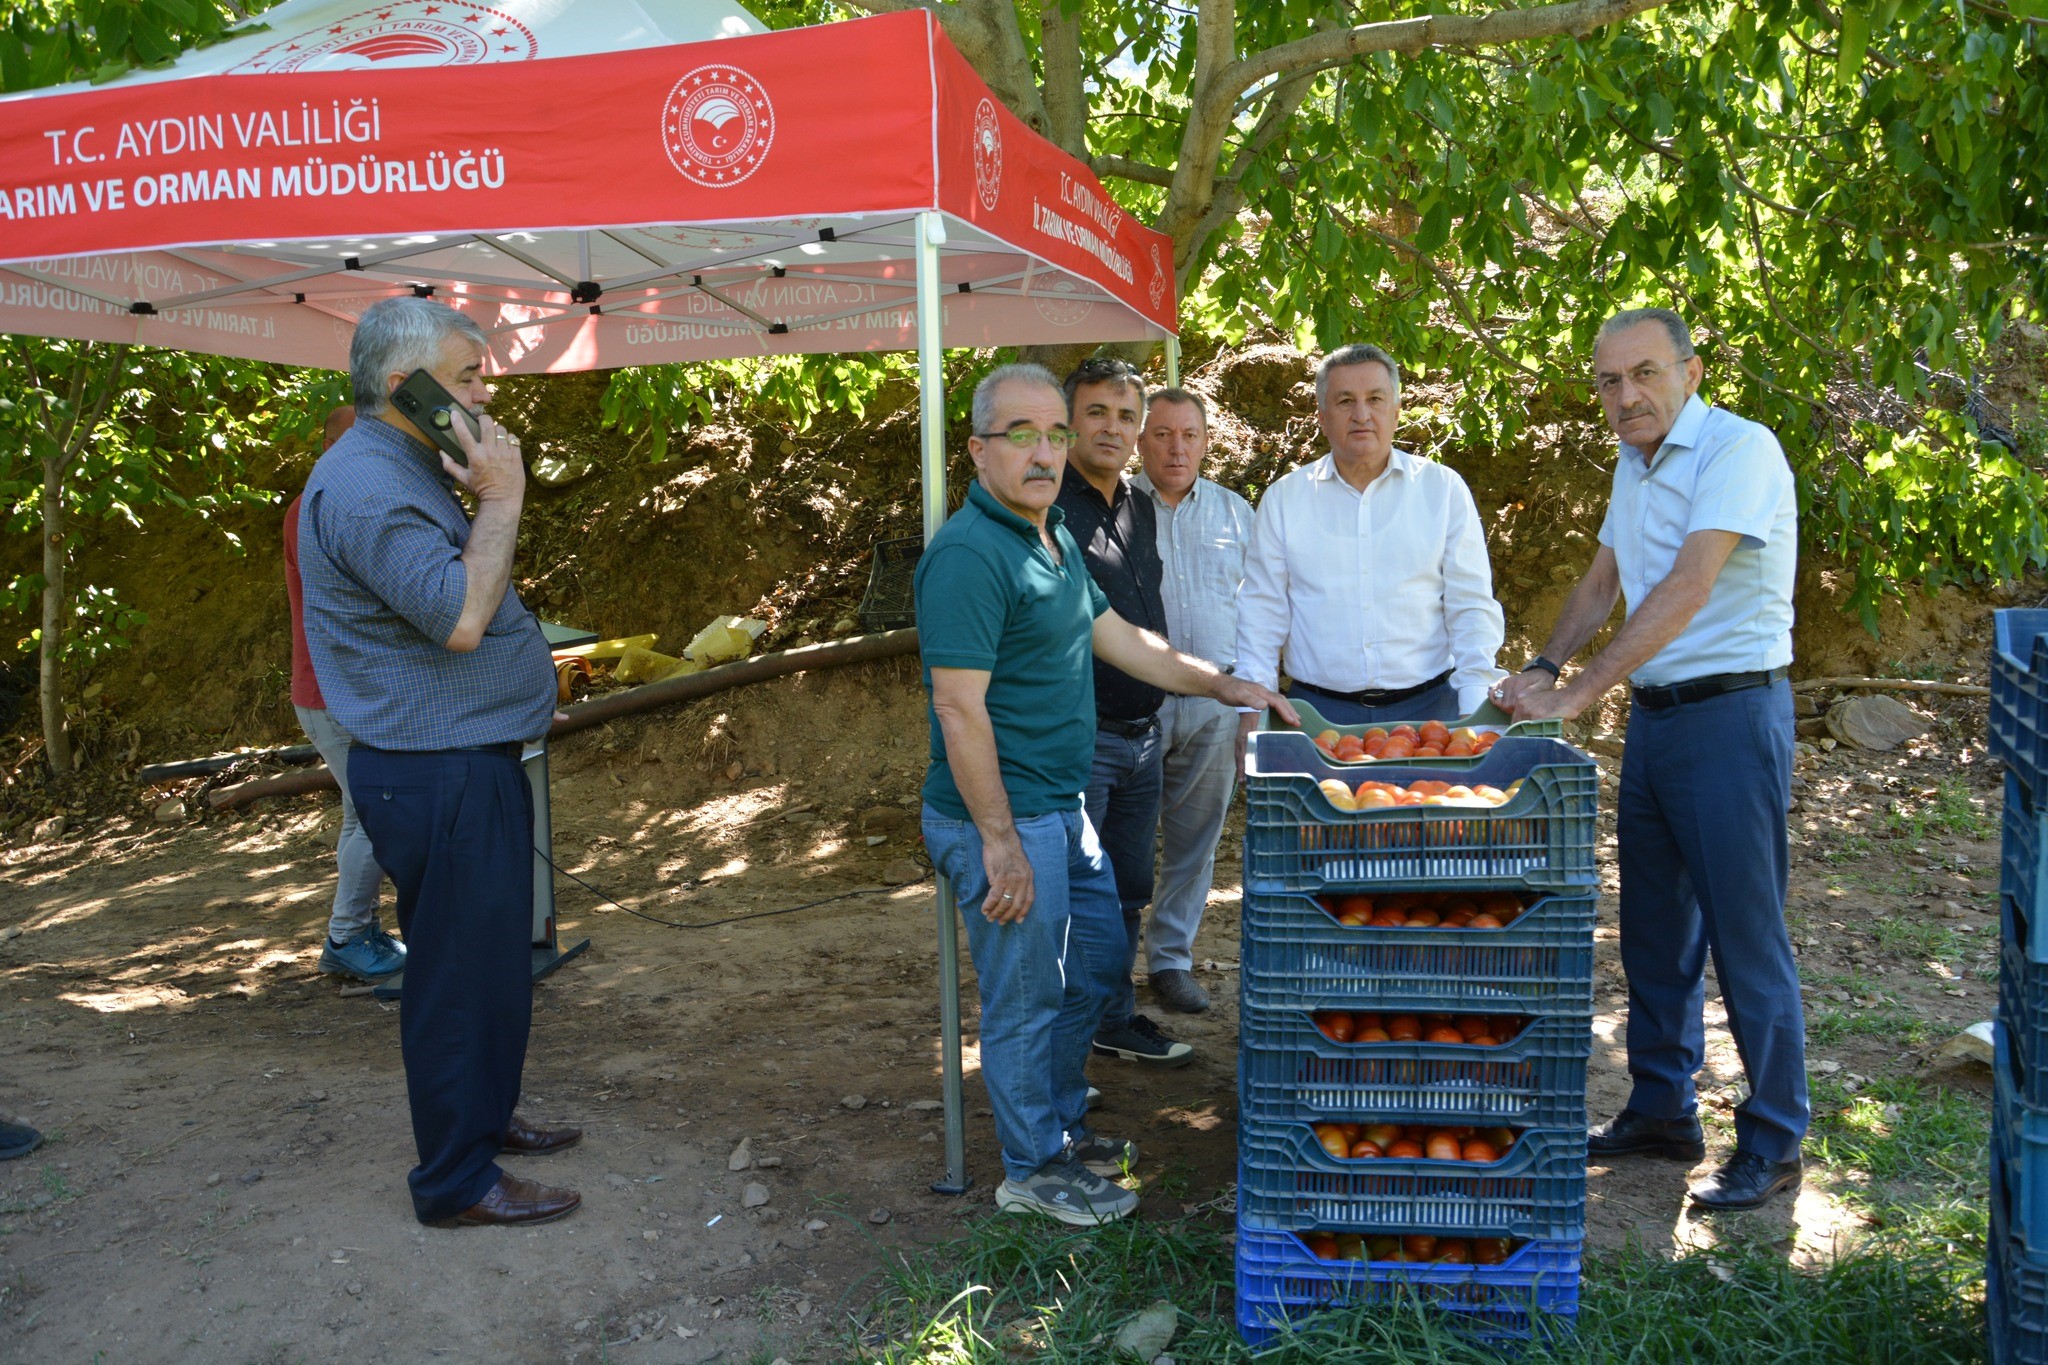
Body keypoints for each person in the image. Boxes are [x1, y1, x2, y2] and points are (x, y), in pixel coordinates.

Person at [917, 362, 1292, 1224]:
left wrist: (1224, 683)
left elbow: (1125, 639)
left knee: (1086, 976)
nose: (1043, 451)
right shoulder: (970, 555)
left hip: (1061, 811)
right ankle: (1031, 1167)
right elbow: (957, 706)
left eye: (1054, 433)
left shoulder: (1046, 540)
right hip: (1004, 817)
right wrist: (999, 842)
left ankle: (1059, 1124)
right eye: (1022, 435)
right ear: (978, 451)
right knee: (1023, 995)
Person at [1496, 306, 1806, 1211]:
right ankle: (1663, 1107)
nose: (1626, 395)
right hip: (1660, 723)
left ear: (1692, 370)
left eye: (1644, 374)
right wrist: (1545, 663)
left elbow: (1687, 586)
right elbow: (1604, 581)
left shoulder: (1739, 451)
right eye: (1608, 381)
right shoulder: (1633, 463)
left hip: (1732, 716)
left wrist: (1579, 695)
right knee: (1656, 932)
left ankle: (1777, 1134)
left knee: (1747, 937)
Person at [298, 296, 582, 1229]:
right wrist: (503, 495)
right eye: (465, 376)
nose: (484, 394)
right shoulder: (368, 483)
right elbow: (460, 617)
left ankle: (486, 1119)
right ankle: (455, 1182)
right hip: (437, 769)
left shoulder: (402, 462)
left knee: (492, 962)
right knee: (458, 980)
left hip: (461, 761)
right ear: (401, 386)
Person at [1234, 343, 1505, 757]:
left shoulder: (1442, 490)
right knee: (1322, 822)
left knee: (1431, 823)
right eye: (1345, 401)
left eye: (1375, 399)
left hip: (1433, 714)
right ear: (1322, 416)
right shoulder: (1284, 500)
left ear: (1396, 410)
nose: (1362, 414)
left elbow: (1470, 605)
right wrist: (1252, 708)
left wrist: (1475, 713)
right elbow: (1261, 610)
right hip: (1315, 715)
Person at [1052, 358, 1194, 1066]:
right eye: (1098, 412)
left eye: (1125, 415)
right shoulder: (1048, 506)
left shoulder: (1137, 505)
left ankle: (1114, 1017)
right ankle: (1062, 1048)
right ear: (1068, 419)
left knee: (1129, 889)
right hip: (1084, 739)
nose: (1113, 427)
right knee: (1080, 898)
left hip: (1145, 737)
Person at [1131, 388, 1252, 1015]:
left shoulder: (1237, 514)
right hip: (1131, 705)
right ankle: (1108, 968)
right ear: (1140, 440)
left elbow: (1265, 614)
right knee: (1118, 844)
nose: (1176, 448)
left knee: (1195, 843)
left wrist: (1254, 705)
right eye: (1161, 434)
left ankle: (1171, 961)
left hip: (1216, 704)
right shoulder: (1115, 511)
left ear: (1207, 441)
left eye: (1189, 435)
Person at [284, 405, 406, 983]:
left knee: (368, 813)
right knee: (374, 812)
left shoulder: (326, 501)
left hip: (346, 687)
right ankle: (347, 935)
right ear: (336, 445)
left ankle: (359, 929)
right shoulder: (316, 507)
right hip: (333, 690)